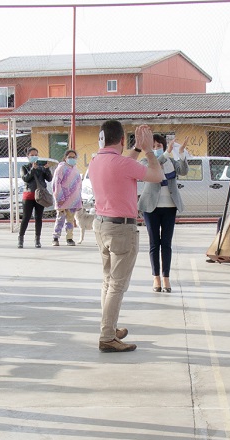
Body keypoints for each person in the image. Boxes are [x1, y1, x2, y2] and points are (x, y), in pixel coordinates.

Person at [91, 119, 166, 352]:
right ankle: (107, 336)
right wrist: (148, 151)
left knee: (107, 282)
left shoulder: (96, 160)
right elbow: (157, 175)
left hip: (102, 225)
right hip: (121, 229)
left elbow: (123, 164)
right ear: (122, 140)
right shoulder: (122, 164)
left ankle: (109, 328)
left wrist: (135, 149)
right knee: (117, 285)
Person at [137, 135, 188, 291]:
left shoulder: (171, 162)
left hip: (169, 206)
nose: (157, 148)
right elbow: (154, 167)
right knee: (154, 244)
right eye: (154, 146)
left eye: (159, 146)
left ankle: (166, 278)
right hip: (151, 207)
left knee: (166, 244)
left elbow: (184, 171)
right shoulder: (145, 161)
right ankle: (156, 278)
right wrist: (165, 154)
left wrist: (180, 153)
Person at [18, 147, 51, 248]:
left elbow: (49, 179)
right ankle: (21, 238)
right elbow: (25, 178)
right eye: (32, 155)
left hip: (40, 196)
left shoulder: (41, 167)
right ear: (28, 156)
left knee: (38, 217)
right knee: (26, 217)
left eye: (36, 154)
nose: (34, 156)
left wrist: (46, 170)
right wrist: (32, 169)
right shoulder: (25, 167)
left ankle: (37, 239)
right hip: (29, 195)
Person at [52, 149, 83, 246]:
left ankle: (69, 238)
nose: (72, 159)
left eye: (74, 157)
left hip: (73, 200)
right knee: (60, 219)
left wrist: (78, 199)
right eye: (70, 157)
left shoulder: (75, 169)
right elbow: (56, 183)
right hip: (63, 199)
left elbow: (78, 185)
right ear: (65, 158)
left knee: (70, 220)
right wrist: (59, 198)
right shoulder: (61, 168)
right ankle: (55, 237)